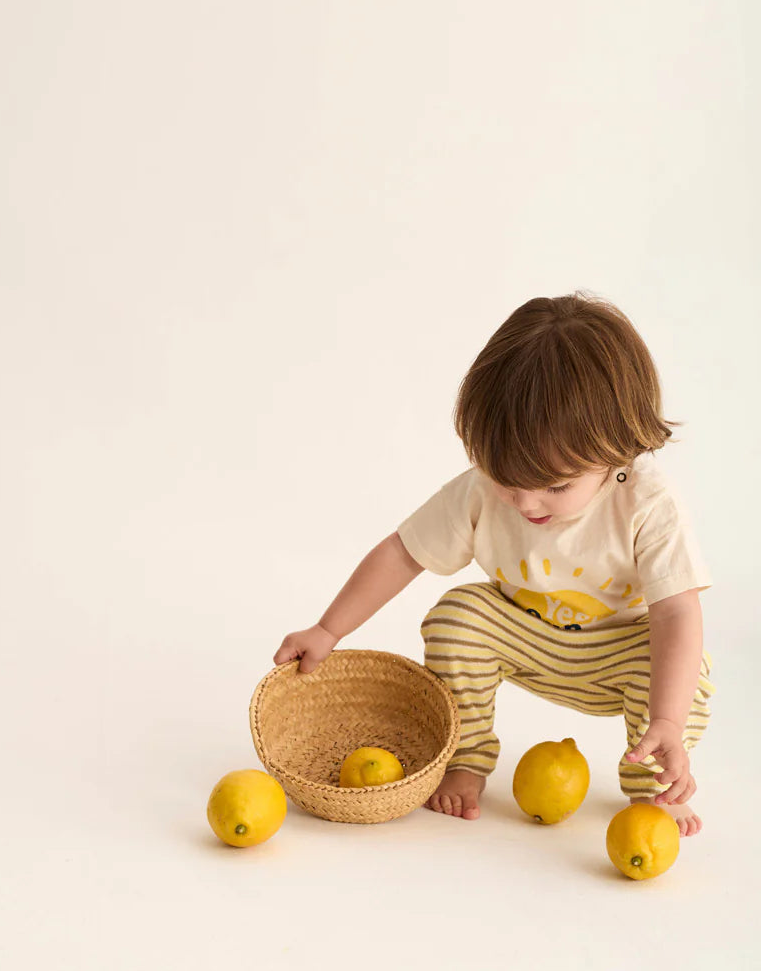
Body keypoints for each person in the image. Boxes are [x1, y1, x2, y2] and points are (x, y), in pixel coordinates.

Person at [273, 292, 715, 837]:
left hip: (616, 655)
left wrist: (667, 719)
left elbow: (677, 613)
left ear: (618, 447)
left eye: (556, 486)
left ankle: (656, 787)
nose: (528, 505)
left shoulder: (646, 503)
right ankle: (465, 758)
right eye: (509, 484)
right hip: (524, 637)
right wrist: (327, 628)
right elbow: (402, 551)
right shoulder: (481, 490)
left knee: (682, 673)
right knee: (459, 614)